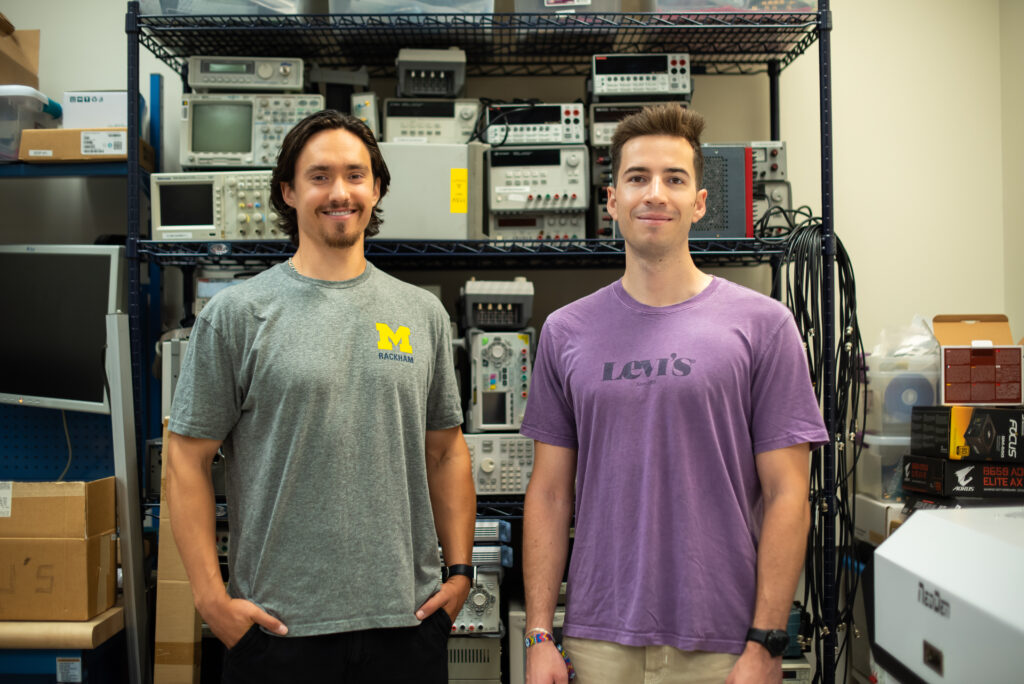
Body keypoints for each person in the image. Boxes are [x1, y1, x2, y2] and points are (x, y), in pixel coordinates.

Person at [520, 104, 829, 684]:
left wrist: (766, 642)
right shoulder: (566, 331)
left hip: (725, 640)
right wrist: (538, 633)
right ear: (612, 201)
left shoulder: (764, 325)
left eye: (674, 179)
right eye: (637, 178)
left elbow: (789, 494)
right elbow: (550, 492)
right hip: (596, 639)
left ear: (700, 203)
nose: (654, 193)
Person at [165, 109, 476, 684]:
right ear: (288, 191)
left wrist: (460, 574)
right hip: (280, 633)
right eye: (319, 176)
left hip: (406, 626)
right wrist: (212, 602)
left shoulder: (422, 313)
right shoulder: (237, 315)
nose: (340, 192)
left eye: (356, 175)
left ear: (377, 187)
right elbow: (185, 460)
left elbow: (446, 452)